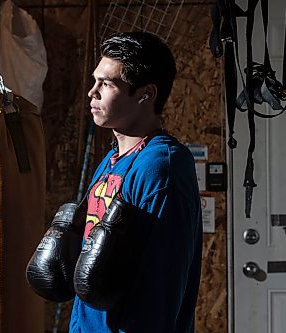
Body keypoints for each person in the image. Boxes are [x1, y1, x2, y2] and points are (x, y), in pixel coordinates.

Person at [68, 31, 203, 332]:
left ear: (146, 94)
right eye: (94, 81)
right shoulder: (112, 160)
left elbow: (162, 284)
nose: (92, 92)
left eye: (107, 83)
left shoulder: (161, 167)